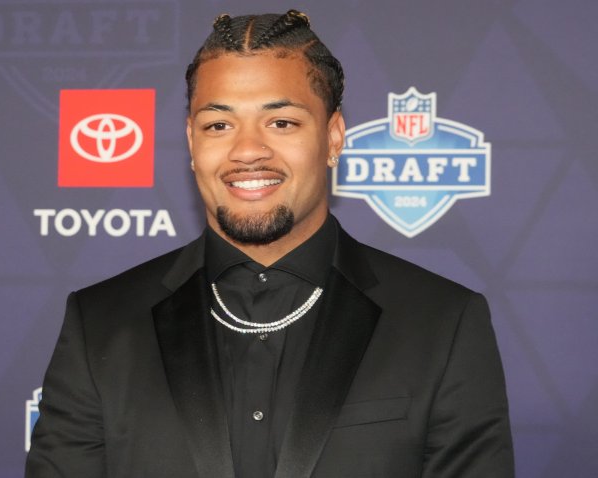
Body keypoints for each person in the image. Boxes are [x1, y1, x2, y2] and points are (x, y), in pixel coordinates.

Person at [26, 10, 514, 478]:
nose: (247, 151)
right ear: (191, 144)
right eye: (218, 125)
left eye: (281, 122)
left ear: (335, 137)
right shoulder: (100, 324)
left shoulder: (443, 322)